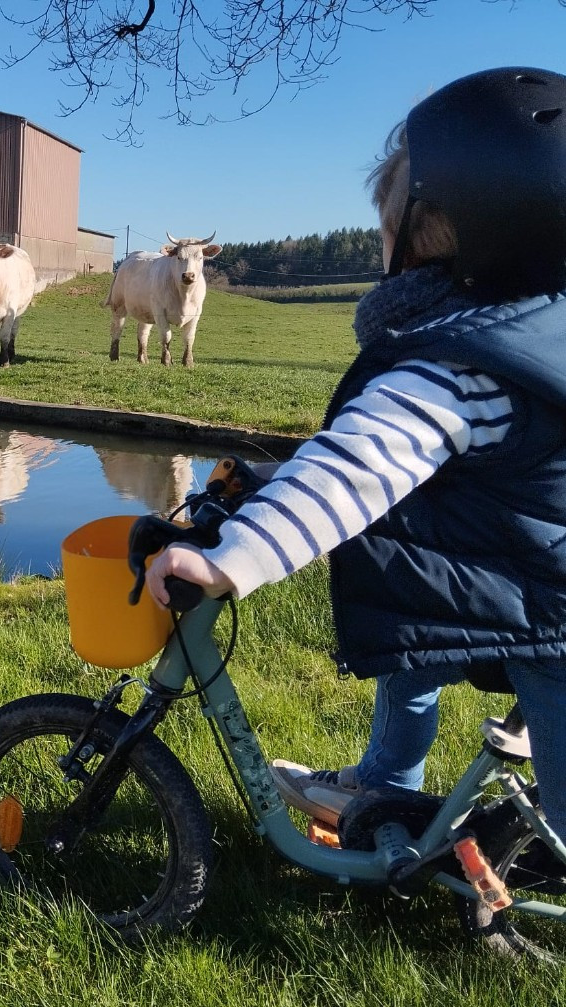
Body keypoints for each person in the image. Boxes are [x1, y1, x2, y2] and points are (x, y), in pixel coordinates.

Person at [144, 66, 566, 837]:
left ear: (431, 237)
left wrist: (230, 559)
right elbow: (427, 466)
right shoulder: (540, 328)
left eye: (386, 233)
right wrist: (276, 477)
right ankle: (385, 786)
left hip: (550, 617)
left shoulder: (455, 366)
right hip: (519, 569)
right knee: (414, 638)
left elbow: (359, 466)